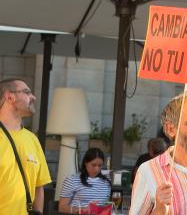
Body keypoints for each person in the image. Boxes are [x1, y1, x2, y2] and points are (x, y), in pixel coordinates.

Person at [0, 78, 52, 215]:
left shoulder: (33, 139)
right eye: (27, 92)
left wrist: (38, 212)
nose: (33, 97)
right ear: (9, 96)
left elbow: (38, 186)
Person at [59, 147, 111, 213]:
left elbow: (106, 205)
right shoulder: (72, 180)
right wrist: (82, 210)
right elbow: (62, 207)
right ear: (86, 163)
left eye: (100, 165)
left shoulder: (106, 182)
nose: (97, 169)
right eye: (93, 165)